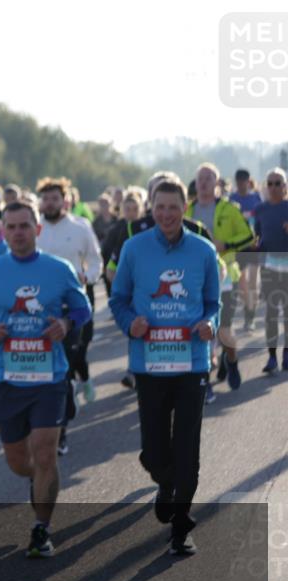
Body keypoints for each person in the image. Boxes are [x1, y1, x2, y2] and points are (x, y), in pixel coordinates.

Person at [0, 201, 91, 558]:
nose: (19, 232)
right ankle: (37, 482)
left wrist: (66, 324)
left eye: (25, 226)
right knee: (20, 461)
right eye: (12, 227)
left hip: (49, 377)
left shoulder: (59, 269)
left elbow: (82, 309)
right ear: (3, 231)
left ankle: (41, 528)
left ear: (38, 230)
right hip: (8, 378)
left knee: (46, 454)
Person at [109, 177, 219, 556]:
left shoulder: (204, 251)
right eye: (160, 207)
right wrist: (130, 323)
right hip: (149, 364)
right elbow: (118, 298)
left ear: (184, 208)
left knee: (187, 448)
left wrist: (211, 325)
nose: (167, 214)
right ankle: (166, 483)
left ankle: (181, 525)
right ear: (151, 208)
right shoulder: (133, 248)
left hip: (192, 364)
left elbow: (213, 304)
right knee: (153, 451)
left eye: (174, 207)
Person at [36, 178, 102, 454]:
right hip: (38, 309)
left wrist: (89, 276)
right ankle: (59, 407)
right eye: (45, 199)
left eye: (55, 198)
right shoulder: (33, 228)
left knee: (65, 365)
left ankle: (61, 430)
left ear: (65, 200)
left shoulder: (79, 227)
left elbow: (96, 259)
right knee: (44, 370)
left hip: (72, 308)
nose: (50, 203)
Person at [187, 163, 254, 390]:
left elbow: (248, 237)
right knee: (199, 330)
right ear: (195, 184)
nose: (204, 182)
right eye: (200, 178)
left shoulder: (228, 209)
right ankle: (203, 381)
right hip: (194, 279)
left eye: (208, 178)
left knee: (224, 330)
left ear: (216, 182)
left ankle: (232, 361)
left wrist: (226, 244)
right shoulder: (187, 210)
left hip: (225, 276)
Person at [255, 168, 288, 373]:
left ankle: (286, 354)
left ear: (285, 187)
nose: (274, 187)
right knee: (271, 314)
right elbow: (258, 237)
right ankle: (271, 357)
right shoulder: (260, 209)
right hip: (268, 267)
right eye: (270, 183)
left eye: (278, 183)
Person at [230, 169, 264, 330]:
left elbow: (261, 221)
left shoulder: (256, 198)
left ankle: (250, 315)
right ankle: (247, 311)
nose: (241, 184)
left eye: (244, 181)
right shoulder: (232, 199)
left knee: (253, 282)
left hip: (255, 244)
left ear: (248, 181)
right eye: (239, 181)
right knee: (243, 283)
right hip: (239, 246)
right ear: (236, 182)